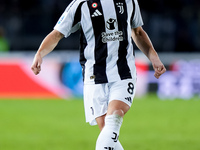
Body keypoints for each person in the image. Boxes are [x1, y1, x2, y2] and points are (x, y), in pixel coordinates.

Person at [31, 0, 166, 149]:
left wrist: (153, 57)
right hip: (94, 76)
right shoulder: (80, 4)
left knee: (114, 118)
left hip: (123, 72)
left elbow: (138, 31)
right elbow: (57, 34)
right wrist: (39, 53)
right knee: (107, 133)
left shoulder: (129, 1)